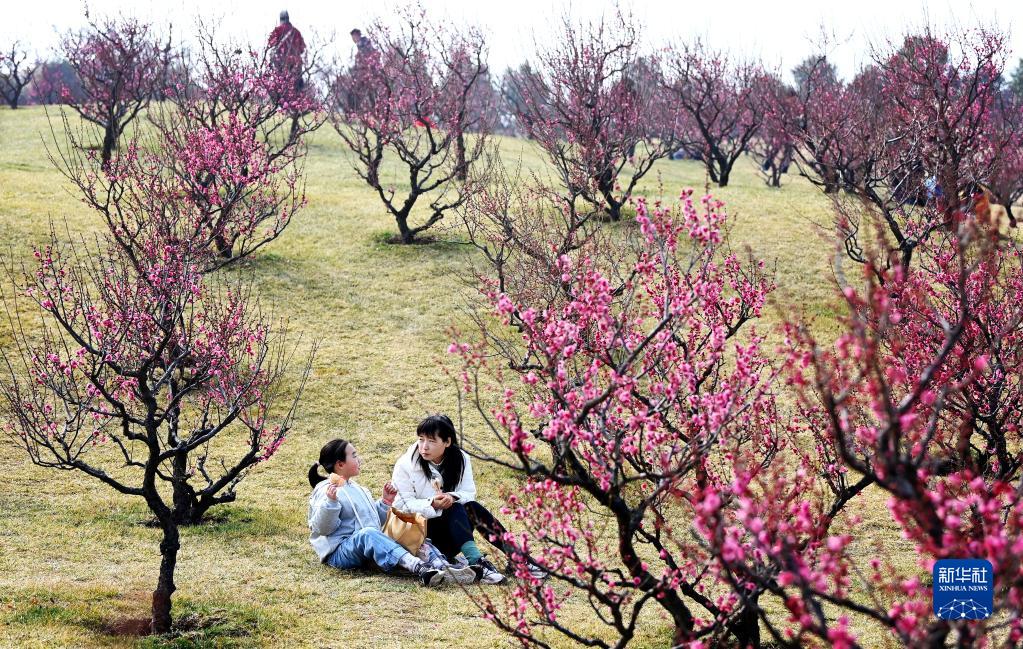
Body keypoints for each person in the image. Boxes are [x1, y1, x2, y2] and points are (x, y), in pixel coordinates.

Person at [391, 414, 547, 584]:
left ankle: (517, 557)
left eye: (431, 441)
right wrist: (432, 504)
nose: (424, 446)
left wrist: (452, 496)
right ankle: (478, 562)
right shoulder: (405, 464)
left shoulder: (460, 459)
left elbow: (468, 493)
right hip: (420, 540)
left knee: (470, 506)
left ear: (447, 442)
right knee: (455, 508)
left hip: (449, 535)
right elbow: (400, 506)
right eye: (421, 440)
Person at [308, 438, 476, 587]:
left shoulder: (358, 488)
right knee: (368, 534)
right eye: (354, 455)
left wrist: (384, 503)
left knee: (405, 529)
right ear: (340, 464)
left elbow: (373, 522)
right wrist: (330, 503)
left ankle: (442, 566)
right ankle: (418, 567)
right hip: (339, 553)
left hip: (365, 546)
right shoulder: (324, 490)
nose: (359, 459)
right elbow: (322, 528)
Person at [268, 10, 306, 89]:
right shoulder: (296, 32)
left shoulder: (277, 30)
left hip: (281, 63)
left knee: (281, 87)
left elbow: (270, 44)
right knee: (297, 89)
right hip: (296, 64)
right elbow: (302, 49)